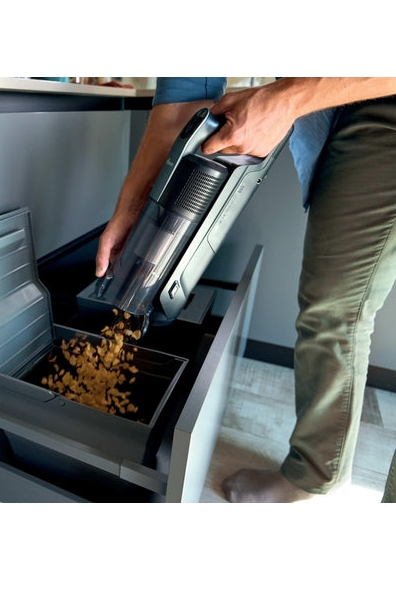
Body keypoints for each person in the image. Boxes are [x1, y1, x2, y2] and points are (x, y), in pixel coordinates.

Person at [95, 77, 396, 503]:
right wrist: (131, 205)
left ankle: (314, 476)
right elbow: (183, 94)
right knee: (329, 301)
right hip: (344, 109)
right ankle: (319, 470)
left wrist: (287, 100)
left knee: (338, 308)